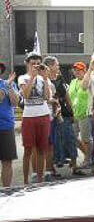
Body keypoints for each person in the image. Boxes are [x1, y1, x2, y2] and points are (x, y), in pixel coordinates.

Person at [18, 53, 52, 184]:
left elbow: (47, 97)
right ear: (28, 63)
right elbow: (26, 95)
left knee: (41, 149)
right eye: (33, 63)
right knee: (28, 149)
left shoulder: (44, 78)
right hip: (29, 117)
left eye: (38, 63)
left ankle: (40, 179)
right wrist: (32, 77)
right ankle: (26, 181)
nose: (36, 66)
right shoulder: (23, 78)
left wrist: (44, 79)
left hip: (43, 115)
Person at [69, 62, 92, 170]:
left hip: (84, 114)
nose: (77, 72)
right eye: (75, 70)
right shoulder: (73, 82)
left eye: (79, 70)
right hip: (74, 114)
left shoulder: (87, 81)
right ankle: (87, 155)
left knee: (85, 139)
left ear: (84, 71)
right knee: (72, 137)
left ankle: (87, 159)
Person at [0, 64, 18, 187]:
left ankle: (6, 191)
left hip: (6, 126)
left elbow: (15, 102)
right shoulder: (6, 84)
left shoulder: (9, 83)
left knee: (7, 161)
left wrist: (10, 86)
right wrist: (7, 85)